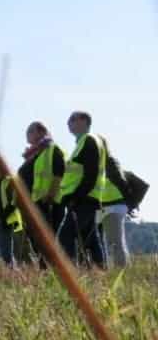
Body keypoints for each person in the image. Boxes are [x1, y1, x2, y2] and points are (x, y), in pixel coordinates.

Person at [58, 111, 107, 269]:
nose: (68, 123)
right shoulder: (82, 143)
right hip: (86, 199)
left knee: (65, 236)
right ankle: (101, 270)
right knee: (90, 239)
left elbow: (90, 174)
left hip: (83, 199)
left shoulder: (89, 140)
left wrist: (76, 197)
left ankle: (72, 271)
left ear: (84, 121)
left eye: (72, 119)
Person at [17, 122, 66, 269]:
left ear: (41, 131)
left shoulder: (52, 149)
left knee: (47, 237)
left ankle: (51, 267)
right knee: (36, 238)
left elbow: (59, 173)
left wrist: (50, 195)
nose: (27, 134)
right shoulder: (35, 154)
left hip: (48, 202)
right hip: (33, 202)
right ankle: (44, 267)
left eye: (30, 131)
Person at [99, 138, 132, 267]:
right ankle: (114, 271)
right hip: (103, 206)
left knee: (115, 242)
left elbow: (121, 183)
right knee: (108, 243)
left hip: (113, 205)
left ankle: (122, 273)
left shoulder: (109, 162)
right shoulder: (97, 162)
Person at [0, 159, 24, 268]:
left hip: (6, 220)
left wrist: (3, 217)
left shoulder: (10, 181)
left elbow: (14, 201)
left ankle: (13, 271)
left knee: (6, 251)